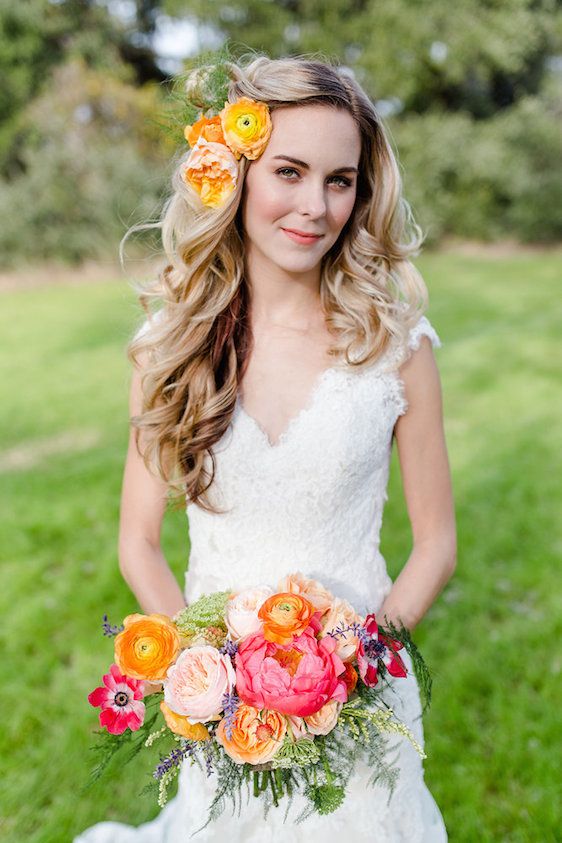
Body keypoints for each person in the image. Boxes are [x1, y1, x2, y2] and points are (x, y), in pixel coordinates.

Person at [75, 51, 456, 842]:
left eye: (340, 180)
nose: (314, 206)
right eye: (289, 170)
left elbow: (436, 545)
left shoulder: (398, 347)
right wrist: (208, 685)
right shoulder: (169, 347)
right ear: (237, 172)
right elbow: (139, 542)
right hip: (224, 711)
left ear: (362, 190)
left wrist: (358, 670)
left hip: (358, 702)